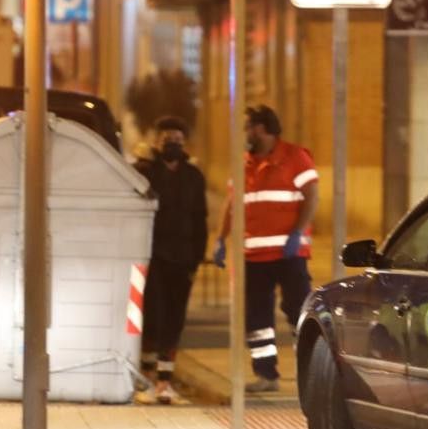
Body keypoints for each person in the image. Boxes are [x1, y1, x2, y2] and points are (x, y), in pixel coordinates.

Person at [213, 105, 318, 395]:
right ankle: (266, 374)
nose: (244, 133)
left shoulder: (295, 157)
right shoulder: (243, 163)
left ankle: (310, 372)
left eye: (247, 127)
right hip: (254, 256)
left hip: (289, 253)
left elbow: (312, 196)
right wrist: (221, 239)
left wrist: (298, 232)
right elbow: (232, 204)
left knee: (298, 311)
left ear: (261, 129)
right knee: (257, 319)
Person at [133, 116, 207, 404]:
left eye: (177, 140)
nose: (172, 144)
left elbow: (200, 220)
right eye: (166, 139)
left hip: (182, 261)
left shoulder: (193, 177)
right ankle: (148, 379)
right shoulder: (144, 173)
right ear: (156, 142)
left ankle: (166, 382)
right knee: (152, 319)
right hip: (152, 258)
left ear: (184, 144)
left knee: (174, 322)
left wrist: (196, 259)